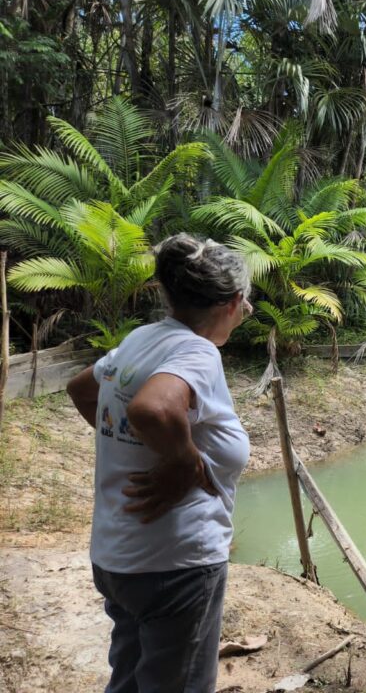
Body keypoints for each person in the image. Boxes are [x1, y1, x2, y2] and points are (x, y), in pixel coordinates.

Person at [66, 233, 252, 693]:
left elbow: (81, 389)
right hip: (175, 566)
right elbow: (154, 409)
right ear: (232, 303)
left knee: (128, 680)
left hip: (118, 558)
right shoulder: (197, 352)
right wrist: (184, 461)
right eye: (246, 304)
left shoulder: (142, 339)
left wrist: (139, 448)